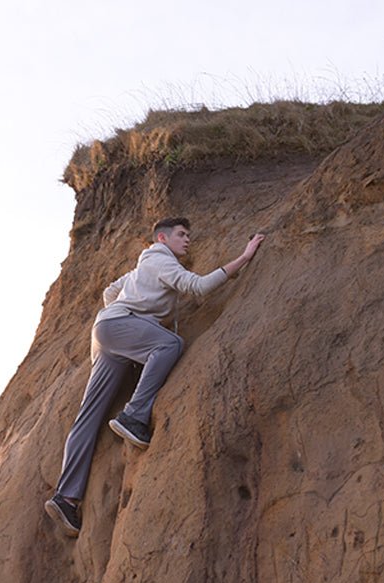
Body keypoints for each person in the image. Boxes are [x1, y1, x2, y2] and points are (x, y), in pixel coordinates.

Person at [44, 217, 265, 537]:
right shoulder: (162, 259)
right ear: (162, 238)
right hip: (119, 330)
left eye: (188, 234)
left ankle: (66, 498)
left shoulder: (140, 267)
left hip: (106, 334)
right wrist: (244, 258)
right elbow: (198, 287)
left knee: (87, 418)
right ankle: (133, 416)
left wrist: (126, 323)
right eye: (181, 234)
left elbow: (110, 291)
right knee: (170, 344)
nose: (187, 240)